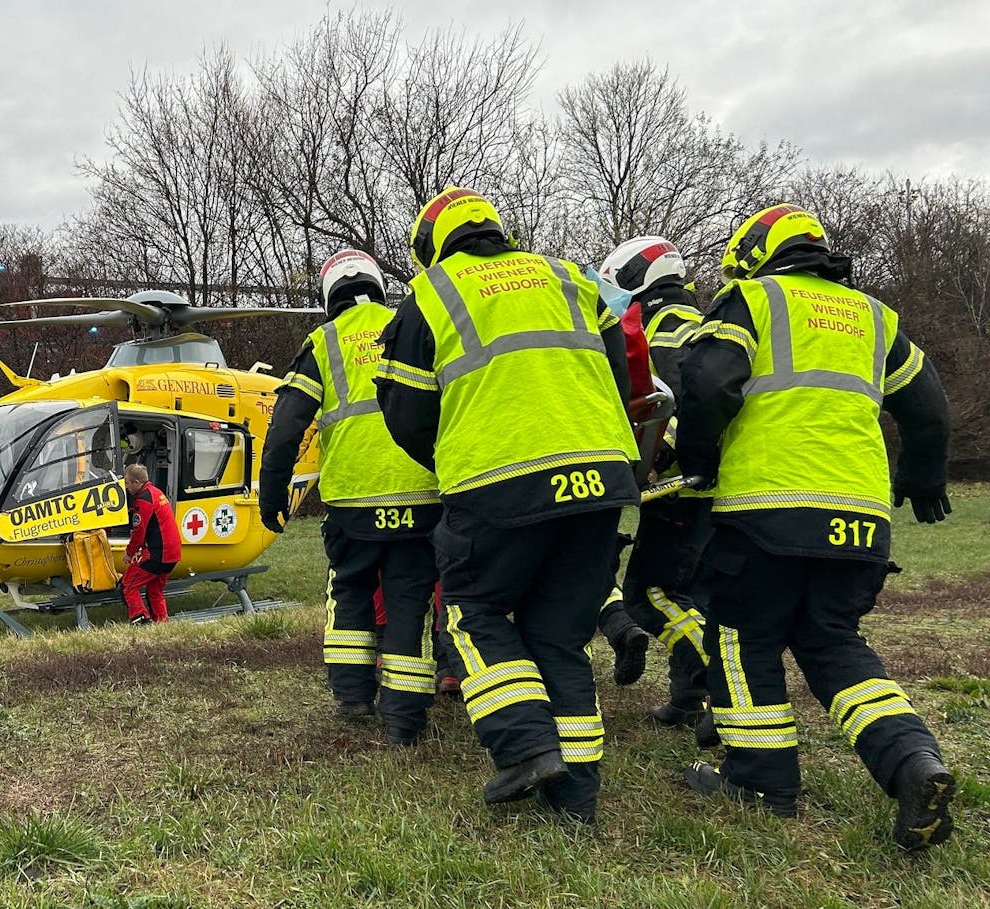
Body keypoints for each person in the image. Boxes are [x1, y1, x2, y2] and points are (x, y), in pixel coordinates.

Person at [677, 203, 955, 849]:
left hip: (768, 508)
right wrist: (924, 476)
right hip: (860, 516)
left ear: (751, 253)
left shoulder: (751, 298)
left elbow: (710, 380)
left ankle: (761, 782)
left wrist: (696, 459)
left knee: (740, 638)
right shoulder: (875, 316)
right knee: (832, 641)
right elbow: (930, 408)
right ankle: (915, 763)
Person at [376, 187, 640, 823]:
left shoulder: (433, 293)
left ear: (430, 245)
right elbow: (625, 368)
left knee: (474, 613)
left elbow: (406, 409)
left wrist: (451, 454)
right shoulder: (569, 276)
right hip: (601, 480)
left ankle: (524, 747)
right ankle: (575, 800)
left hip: (498, 482)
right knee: (560, 637)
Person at [259, 249, 442, 745]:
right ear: (380, 287)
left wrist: (272, 492)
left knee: (350, 596)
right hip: (422, 500)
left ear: (327, 297)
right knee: (409, 605)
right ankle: (404, 720)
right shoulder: (414, 324)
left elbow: (285, 429)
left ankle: (352, 696)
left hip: (352, 505)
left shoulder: (324, 342)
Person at [599, 236, 716, 743]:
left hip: (680, 487)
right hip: (718, 486)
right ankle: (688, 700)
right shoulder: (704, 321)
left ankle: (725, 680)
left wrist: (652, 457)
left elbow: (670, 404)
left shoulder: (663, 328)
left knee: (650, 595)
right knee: (691, 594)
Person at [121, 463, 181, 624]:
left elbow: (139, 531)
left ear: (136, 482)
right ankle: (162, 621)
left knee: (128, 585)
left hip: (158, 553)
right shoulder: (156, 492)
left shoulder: (143, 500)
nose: (126, 487)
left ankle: (141, 619)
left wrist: (130, 552)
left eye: (127, 483)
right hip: (172, 553)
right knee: (155, 590)